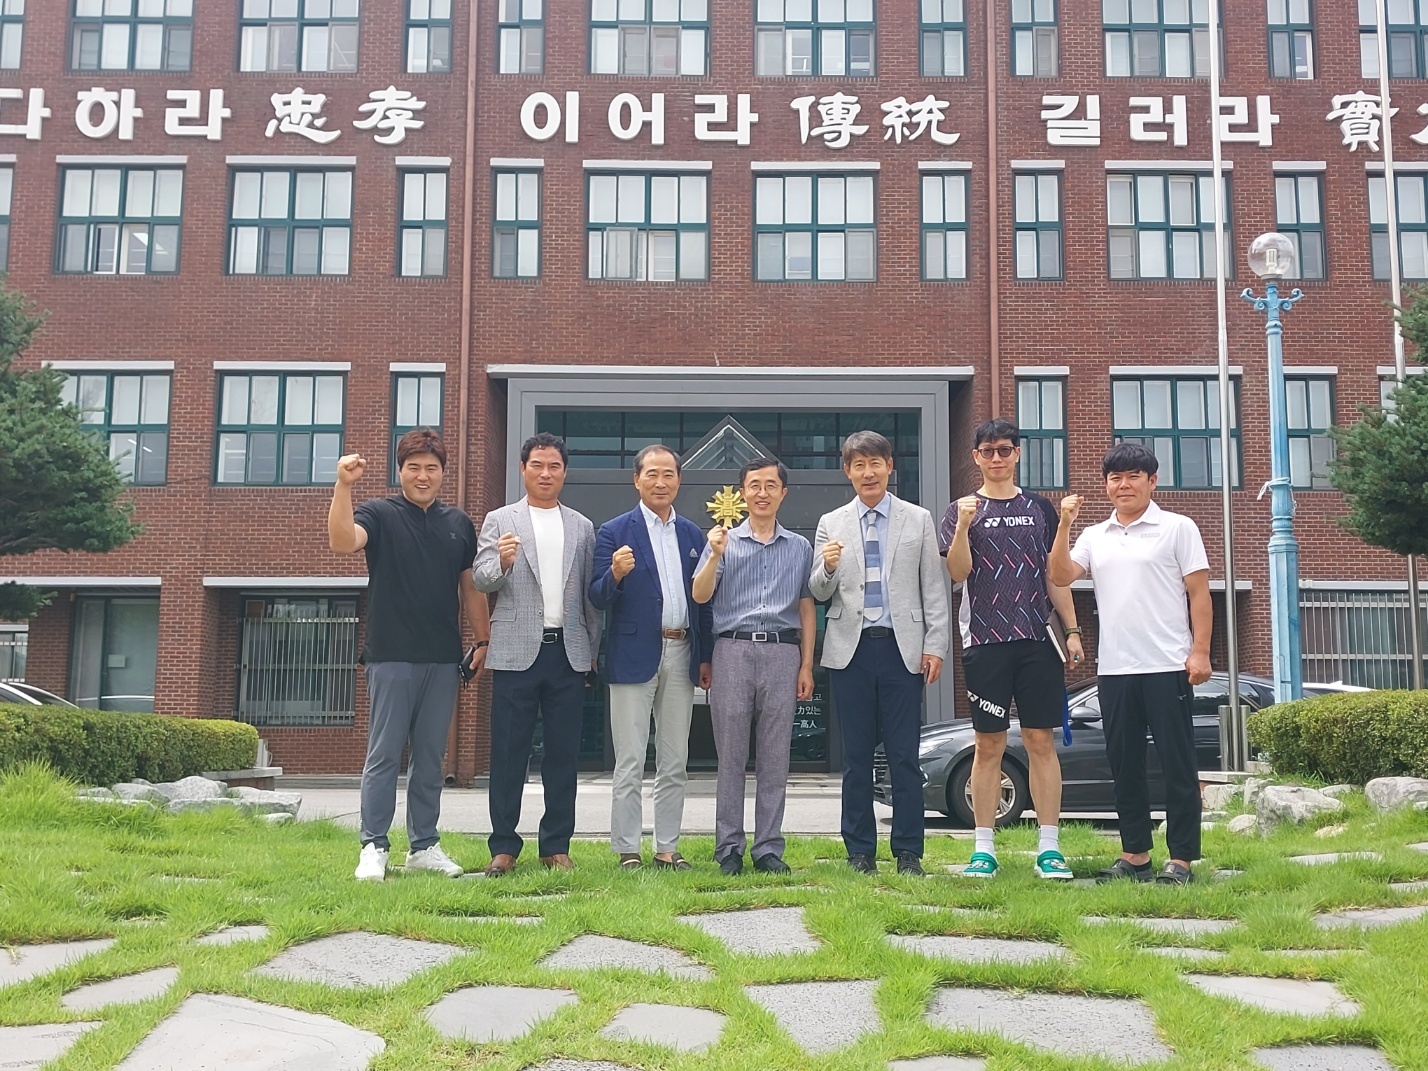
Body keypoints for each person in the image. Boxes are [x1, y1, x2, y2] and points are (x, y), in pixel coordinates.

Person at [327, 428, 488, 883]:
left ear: (442, 473)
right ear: (400, 471)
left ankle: (424, 846)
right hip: (390, 656)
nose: (423, 476)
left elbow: (470, 588)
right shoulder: (379, 514)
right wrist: (343, 486)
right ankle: (373, 846)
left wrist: (482, 641)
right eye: (413, 467)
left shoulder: (458, 523)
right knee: (383, 755)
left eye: (431, 468)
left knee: (430, 759)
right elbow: (342, 541)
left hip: (442, 658)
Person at [1048, 441, 1212, 886]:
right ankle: (1135, 854)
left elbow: (1199, 594)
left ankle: (1181, 859)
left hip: (1167, 665)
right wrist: (1064, 524)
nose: (1124, 485)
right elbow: (1060, 576)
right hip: (1115, 669)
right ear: (1106, 485)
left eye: (1133, 476)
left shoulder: (1178, 528)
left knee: (1178, 763)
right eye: (1115, 478)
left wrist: (1200, 651)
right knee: (1125, 765)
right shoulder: (1094, 535)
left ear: (1152, 481)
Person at [941, 418, 1084, 881]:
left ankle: (1049, 848)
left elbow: (1055, 575)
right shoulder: (961, 510)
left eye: (1005, 450)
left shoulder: (1039, 508)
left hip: (1037, 641)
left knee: (1041, 741)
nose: (997, 458)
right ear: (976, 457)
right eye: (988, 451)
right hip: (985, 642)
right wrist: (963, 527)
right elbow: (957, 572)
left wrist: (1073, 630)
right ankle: (983, 849)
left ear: (1017, 454)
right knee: (988, 744)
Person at [810, 430, 949, 877]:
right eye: (858, 465)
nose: (867, 472)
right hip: (850, 652)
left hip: (901, 649)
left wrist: (935, 645)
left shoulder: (918, 519)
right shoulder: (831, 522)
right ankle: (859, 852)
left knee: (904, 755)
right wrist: (828, 566)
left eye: (875, 463)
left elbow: (933, 587)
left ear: (890, 466)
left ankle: (908, 852)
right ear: (847, 471)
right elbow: (818, 590)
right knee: (855, 758)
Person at [473, 432, 601, 876]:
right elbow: (481, 579)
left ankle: (556, 845)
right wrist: (503, 562)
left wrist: (591, 650)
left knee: (563, 755)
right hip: (515, 652)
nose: (545, 473)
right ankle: (504, 846)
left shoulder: (582, 526)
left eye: (554, 466)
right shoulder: (500, 519)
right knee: (509, 752)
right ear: (523, 469)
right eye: (537, 465)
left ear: (564, 472)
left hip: (567, 652)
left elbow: (589, 597)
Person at [589, 444, 714, 871]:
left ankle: (667, 848)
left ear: (679, 480)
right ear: (636, 480)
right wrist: (615, 573)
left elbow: (703, 602)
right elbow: (596, 596)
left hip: (683, 651)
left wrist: (705, 656)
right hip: (632, 654)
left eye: (668, 474)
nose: (660, 482)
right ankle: (627, 849)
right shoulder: (613, 531)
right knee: (629, 760)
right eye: (652, 474)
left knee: (675, 759)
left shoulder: (692, 535)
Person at [692, 457, 815, 876]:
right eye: (754, 485)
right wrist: (714, 555)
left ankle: (768, 848)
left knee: (775, 757)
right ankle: (728, 847)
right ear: (743, 492)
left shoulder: (799, 547)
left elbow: (806, 608)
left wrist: (807, 664)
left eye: (770, 485)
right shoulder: (723, 541)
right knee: (730, 755)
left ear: (783, 492)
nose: (762, 493)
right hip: (733, 650)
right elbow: (700, 594)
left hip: (783, 652)